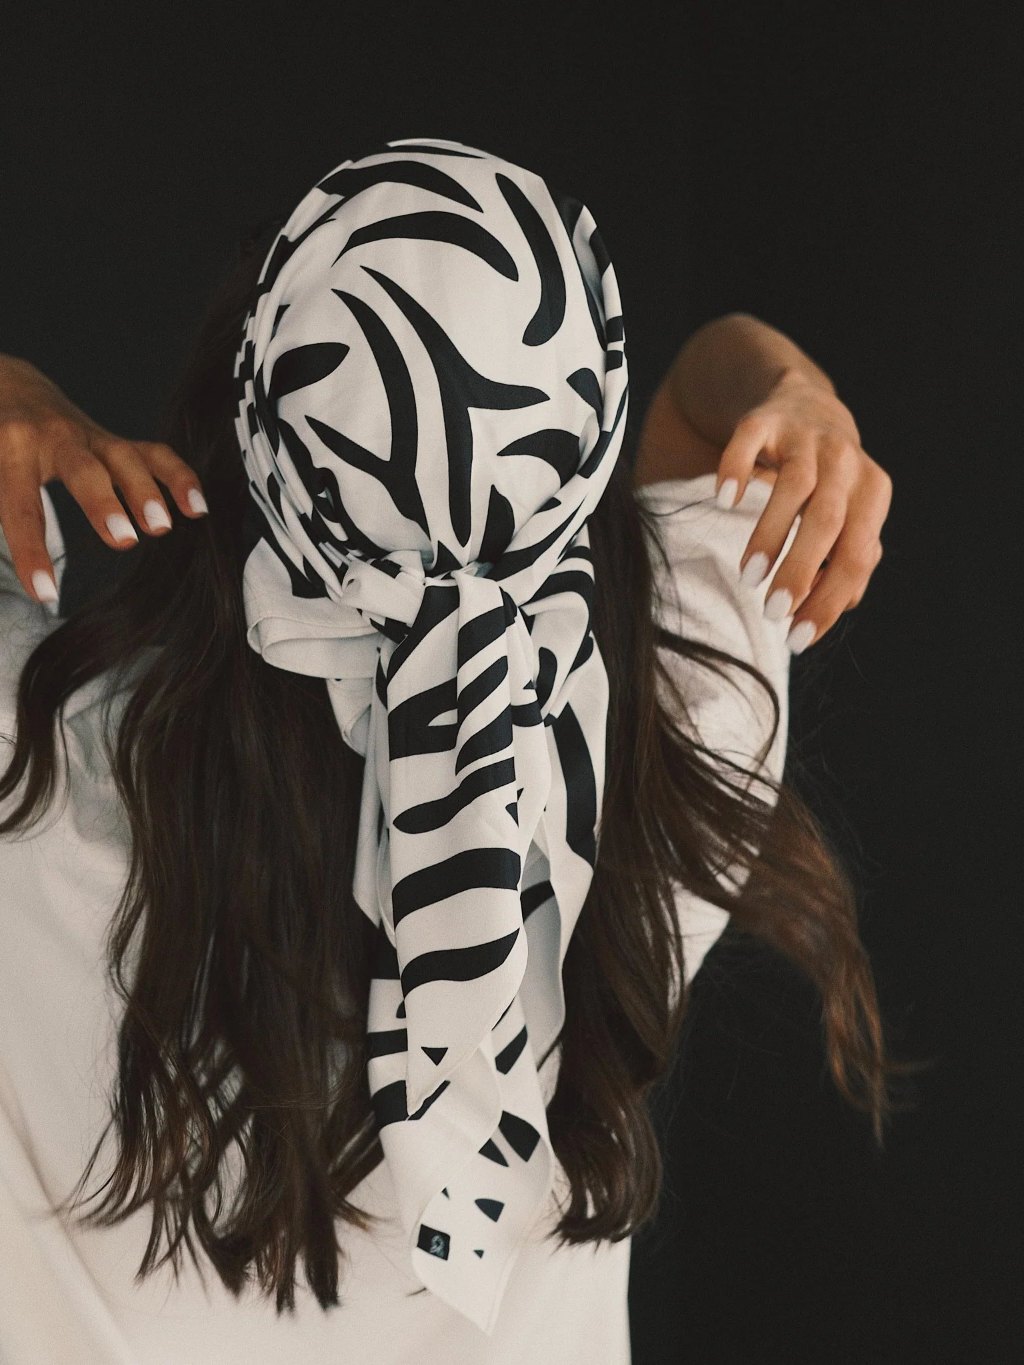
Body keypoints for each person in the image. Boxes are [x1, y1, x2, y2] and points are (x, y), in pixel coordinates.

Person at [0, 137, 900, 1363]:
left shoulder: (34, 761)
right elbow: (708, 397)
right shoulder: (672, 752)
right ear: (577, 481)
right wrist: (801, 393)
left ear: (233, 424)